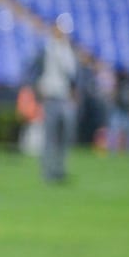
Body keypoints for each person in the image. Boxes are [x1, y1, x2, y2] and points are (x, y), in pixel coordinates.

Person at [36, 26, 78, 182]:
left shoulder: (67, 50)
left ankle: (60, 169)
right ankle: (47, 171)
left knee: (63, 136)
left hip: (64, 97)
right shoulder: (48, 49)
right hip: (51, 97)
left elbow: (72, 74)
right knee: (50, 136)